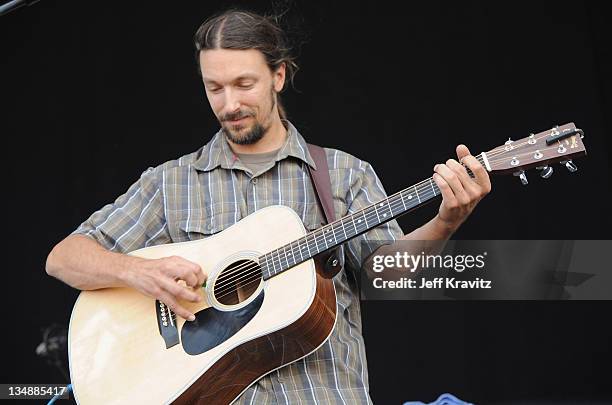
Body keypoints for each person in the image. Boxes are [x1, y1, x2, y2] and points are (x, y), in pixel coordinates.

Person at [45, 8, 491, 404]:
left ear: (278, 76)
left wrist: (446, 220)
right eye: (214, 88)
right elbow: (63, 258)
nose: (229, 103)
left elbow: (391, 279)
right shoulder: (170, 183)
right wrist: (140, 274)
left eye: (244, 84)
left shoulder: (342, 174)